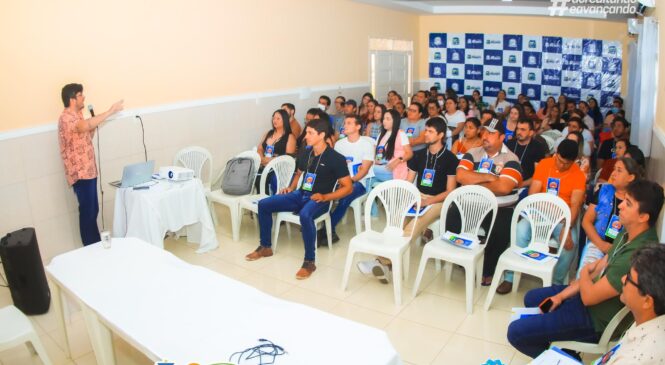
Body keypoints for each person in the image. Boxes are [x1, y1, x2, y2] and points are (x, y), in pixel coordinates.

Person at [507, 180, 664, 359]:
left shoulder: (637, 254)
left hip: (594, 318)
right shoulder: (628, 232)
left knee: (516, 333)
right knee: (532, 298)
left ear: (643, 217)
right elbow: (599, 267)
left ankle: (565, 358)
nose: (620, 206)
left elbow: (589, 295)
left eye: (628, 204)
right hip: (586, 297)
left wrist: (582, 274)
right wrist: (561, 296)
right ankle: (561, 348)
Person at [246, 118, 353, 279]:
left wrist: (326, 196)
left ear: (322, 135)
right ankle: (265, 246)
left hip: (320, 200)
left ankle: (310, 261)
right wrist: (291, 187)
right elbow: (299, 173)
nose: (306, 136)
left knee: (305, 215)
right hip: (300, 194)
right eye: (307, 132)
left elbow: (348, 187)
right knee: (264, 204)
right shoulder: (306, 152)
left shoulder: (335, 158)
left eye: (310, 133)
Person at [359, 117, 458, 282]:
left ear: (441, 135)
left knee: (411, 227)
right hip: (417, 196)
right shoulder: (419, 155)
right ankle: (385, 263)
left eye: (430, 131)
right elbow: (409, 181)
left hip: (439, 201)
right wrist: (407, 198)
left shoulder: (450, 158)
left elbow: (450, 190)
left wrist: (428, 202)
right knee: (395, 222)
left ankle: (382, 262)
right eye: (425, 130)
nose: (426, 134)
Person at [497, 140, 586, 293]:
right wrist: (535, 215)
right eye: (559, 161)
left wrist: (567, 227)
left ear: (573, 161)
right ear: (556, 153)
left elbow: (575, 205)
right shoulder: (545, 164)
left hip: (561, 219)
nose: (562, 165)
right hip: (539, 213)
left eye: (567, 164)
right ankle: (510, 277)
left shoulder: (578, 174)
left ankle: (555, 282)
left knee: (570, 243)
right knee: (521, 230)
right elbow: (533, 193)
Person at [456, 118, 524, 286]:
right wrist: (487, 177)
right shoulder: (473, 153)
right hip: (472, 204)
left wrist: (475, 180)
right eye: (484, 132)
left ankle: (488, 269)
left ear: (502, 138)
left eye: (491, 133)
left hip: (501, 207)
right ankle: (463, 260)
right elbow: (461, 176)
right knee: (453, 216)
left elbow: (503, 187)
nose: (485, 136)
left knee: (499, 229)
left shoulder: (511, 158)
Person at [58, 83, 123, 246]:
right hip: (80, 173)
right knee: (87, 212)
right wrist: (110, 111)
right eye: (81, 95)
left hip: (89, 171)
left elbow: (86, 135)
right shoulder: (66, 118)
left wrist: (93, 126)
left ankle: (95, 245)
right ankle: (91, 248)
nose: (84, 98)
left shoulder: (79, 114)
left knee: (92, 210)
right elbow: (84, 126)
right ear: (72, 99)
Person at [592, 244, 665, 364]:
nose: (622, 279)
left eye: (629, 278)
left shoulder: (632, 359)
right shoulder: (647, 319)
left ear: (647, 301)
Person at [318, 114, 375, 245]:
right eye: (345, 123)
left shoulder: (366, 145)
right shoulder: (339, 144)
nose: (345, 125)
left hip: (358, 183)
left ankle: (327, 228)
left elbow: (364, 170)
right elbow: (333, 167)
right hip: (339, 180)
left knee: (345, 195)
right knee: (321, 189)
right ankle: (320, 225)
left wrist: (349, 182)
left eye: (349, 123)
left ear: (358, 126)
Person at [580, 157, 643, 271]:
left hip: (622, 250)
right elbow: (586, 221)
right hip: (597, 244)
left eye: (619, 170)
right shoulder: (603, 191)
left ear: (631, 177)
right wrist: (602, 245)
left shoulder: (637, 200)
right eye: (614, 169)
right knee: (587, 271)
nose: (613, 173)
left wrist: (614, 249)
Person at [255, 109, 296, 194]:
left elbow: (289, 158)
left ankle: (268, 201)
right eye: (273, 118)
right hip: (264, 164)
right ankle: (260, 199)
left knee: (267, 178)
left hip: (278, 168)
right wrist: (261, 158)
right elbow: (260, 148)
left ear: (284, 120)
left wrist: (269, 160)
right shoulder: (269, 133)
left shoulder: (290, 136)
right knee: (255, 176)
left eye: (278, 118)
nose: (274, 120)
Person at [505, 118, 547, 190]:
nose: (519, 132)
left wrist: (520, 185)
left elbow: (538, 176)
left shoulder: (538, 147)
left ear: (531, 132)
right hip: (506, 181)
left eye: (523, 130)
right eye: (518, 129)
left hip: (525, 186)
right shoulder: (509, 143)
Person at [373, 109, 413, 183]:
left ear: (395, 121)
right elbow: (375, 151)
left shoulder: (401, 134)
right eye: (384, 118)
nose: (384, 121)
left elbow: (409, 153)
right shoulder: (381, 135)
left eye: (388, 119)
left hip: (395, 169)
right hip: (381, 167)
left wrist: (398, 160)